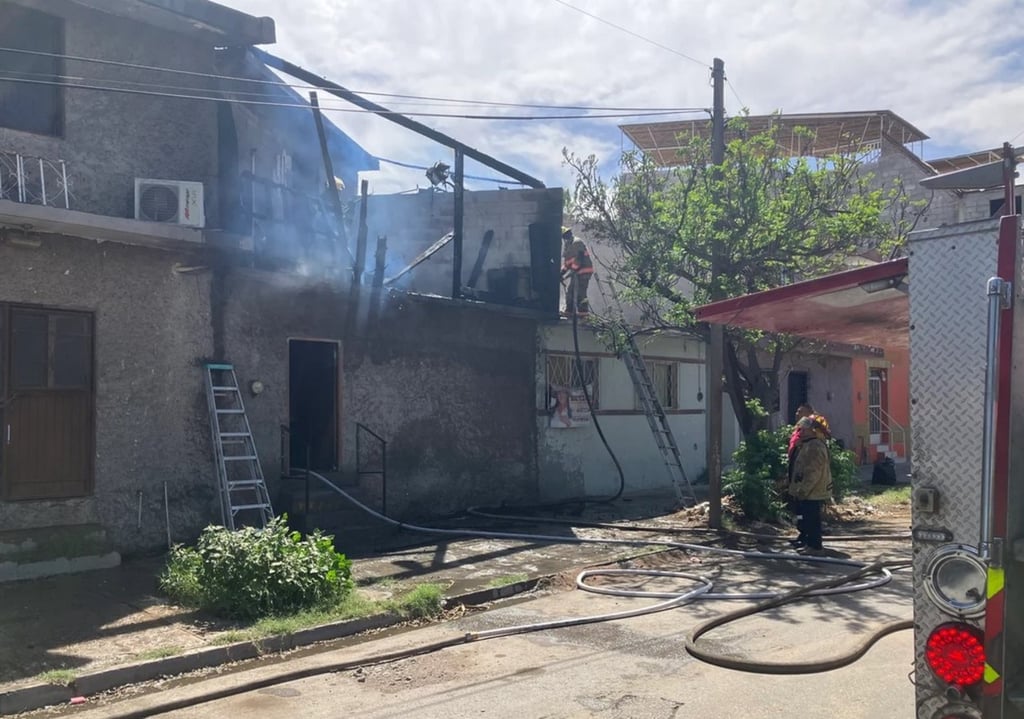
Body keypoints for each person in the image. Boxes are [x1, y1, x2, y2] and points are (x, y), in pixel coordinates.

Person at [788, 413, 833, 555]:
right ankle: (810, 545)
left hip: (813, 491)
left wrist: (804, 490)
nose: (801, 432)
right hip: (810, 491)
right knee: (807, 518)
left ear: (814, 430)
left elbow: (813, 472)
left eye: (805, 429)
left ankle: (815, 547)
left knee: (813, 520)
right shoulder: (808, 444)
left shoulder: (815, 446)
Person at [786, 404, 814, 547]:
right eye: (797, 411)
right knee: (798, 508)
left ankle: (807, 537)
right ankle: (801, 533)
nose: (797, 414)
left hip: (804, 478)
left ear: (809, 413)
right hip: (794, 471)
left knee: (806, 510)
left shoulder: (812, 432)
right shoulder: (798, 430)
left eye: (800, 412)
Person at [561, 227, 594, 316]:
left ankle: (583, 314)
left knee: (580, 293)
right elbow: (568, 262)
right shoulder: (568, 245)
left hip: (584, 271)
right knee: (570, 291)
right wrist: (561, 273)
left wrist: (567, 275)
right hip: (576, 272)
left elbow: (577, 262)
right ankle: (569, 312)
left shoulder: (577, 243)